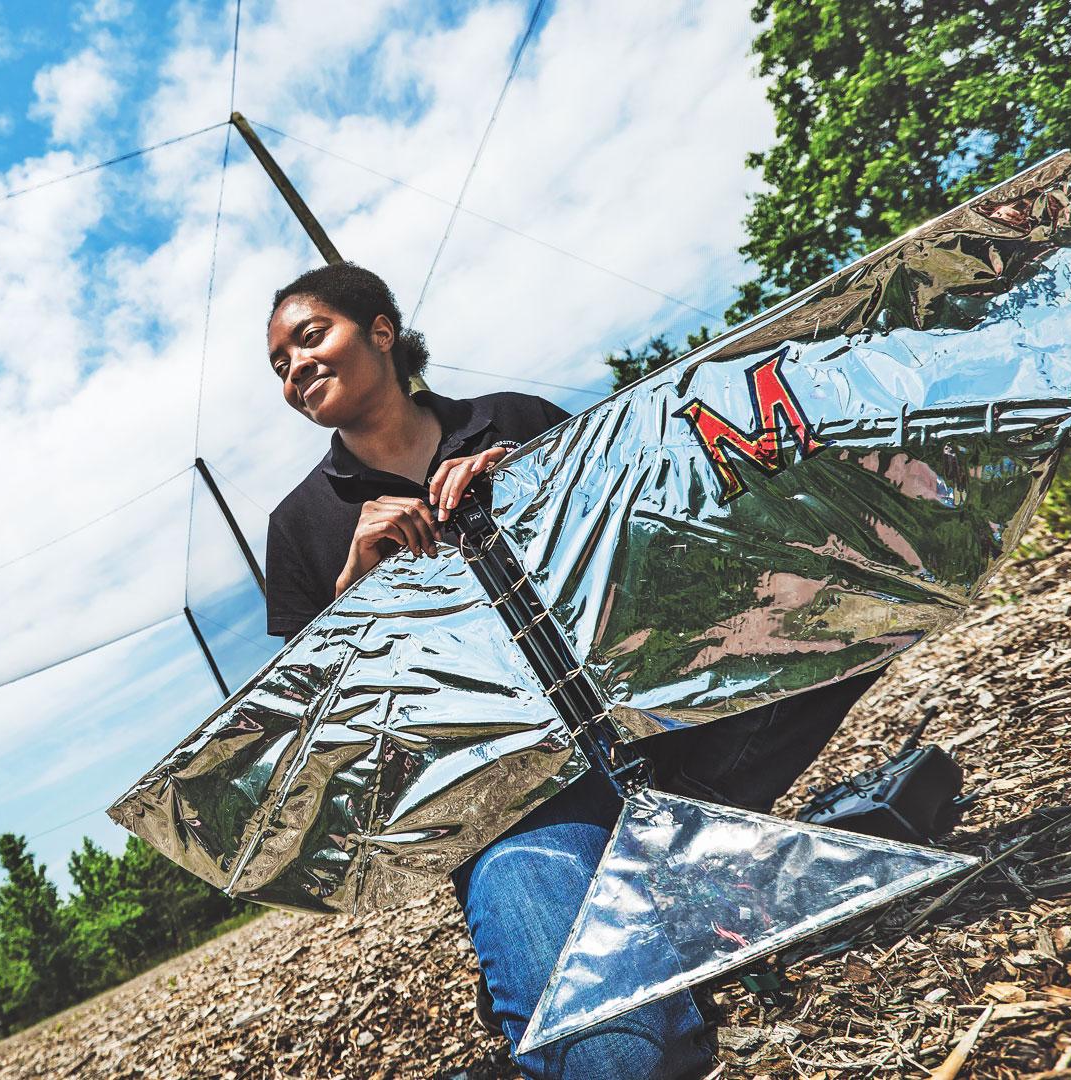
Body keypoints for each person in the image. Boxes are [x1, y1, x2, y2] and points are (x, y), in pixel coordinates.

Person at [261, 263, 877, 1080]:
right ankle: (666, 907)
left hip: (666, 729)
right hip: (522, 803)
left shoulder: (513, 419)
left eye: (310, 338)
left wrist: (542, 485)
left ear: (380, 331)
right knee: (610, 1049)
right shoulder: (300, 525)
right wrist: (354, 593)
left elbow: (666, 541)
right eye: (279, 364)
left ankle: (670, 886)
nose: (296, 367)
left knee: (847, 606)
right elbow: (334, 743)